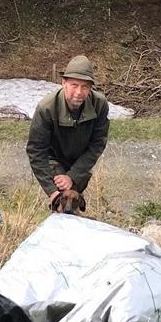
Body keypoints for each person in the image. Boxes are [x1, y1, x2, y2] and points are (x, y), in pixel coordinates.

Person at [26, 55, 110, 211]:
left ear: (91, 88)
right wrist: (51, 191)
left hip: (80, 161)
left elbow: (97, 144)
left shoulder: (100, 105)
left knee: (74, 205)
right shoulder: (46, 108)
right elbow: (36, 151)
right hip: (54, 161)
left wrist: (73, 176)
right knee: (61, 204)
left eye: (85, 87)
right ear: (63, 83)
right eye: (74, 85)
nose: (79, 92)